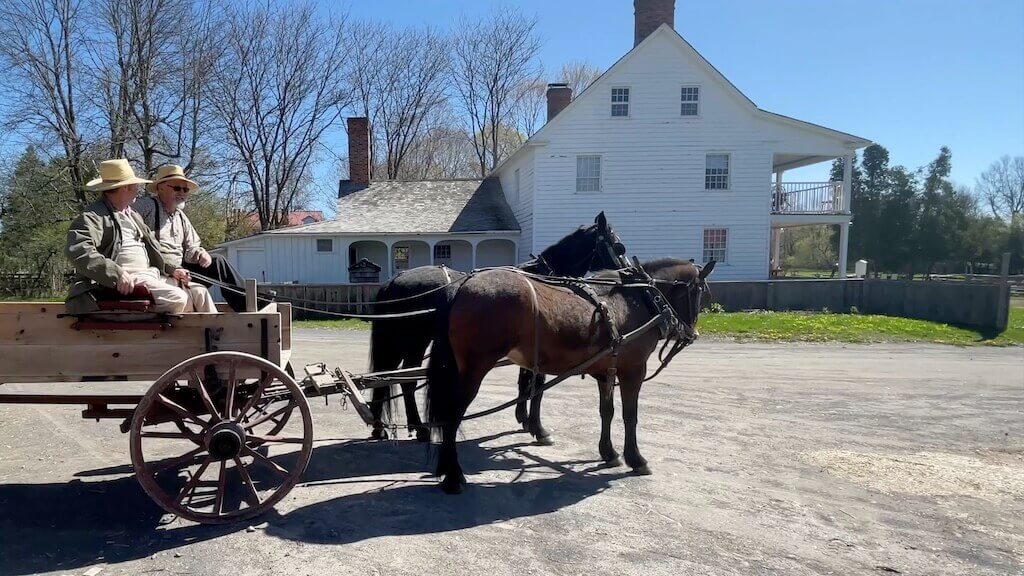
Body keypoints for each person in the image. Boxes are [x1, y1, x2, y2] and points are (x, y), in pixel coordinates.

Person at [65, 159, 191, 315]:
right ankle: (123, 315)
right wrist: (116, 274)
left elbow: (154, 251)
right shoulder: (94, 216)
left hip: (150, 274)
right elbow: (78, 250)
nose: (138, 190)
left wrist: (172, 269)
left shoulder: (133, 215)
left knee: (195, 294)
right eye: (135, 186)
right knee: (177, 298)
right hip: (120, 283)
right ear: (125, 188)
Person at [133, 164, 248, 312]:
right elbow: (126, 213)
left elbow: (191, 248)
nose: (182, 193)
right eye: (177, 188)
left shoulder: (181, 216)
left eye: (185, 189)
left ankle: (248, 304)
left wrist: (200, 253)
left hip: (181, 269)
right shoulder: (148, 206)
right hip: (157, 269)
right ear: (161, 187)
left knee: (217, 262)